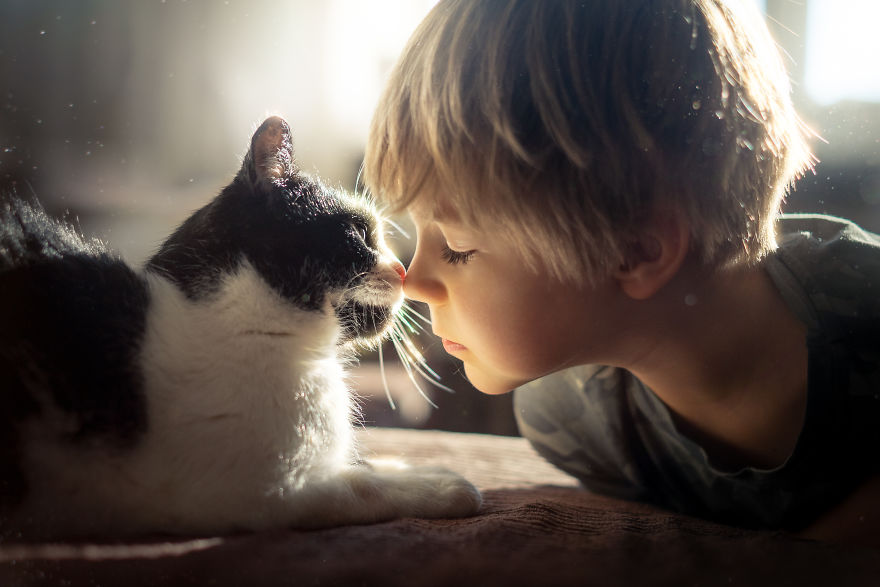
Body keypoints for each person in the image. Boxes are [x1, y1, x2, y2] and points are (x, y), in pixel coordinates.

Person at [362, 0, 880, 545]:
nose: (410, 281)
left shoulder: (863, 305)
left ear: (636, 251)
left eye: (460, 248)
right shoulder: (574, 423)